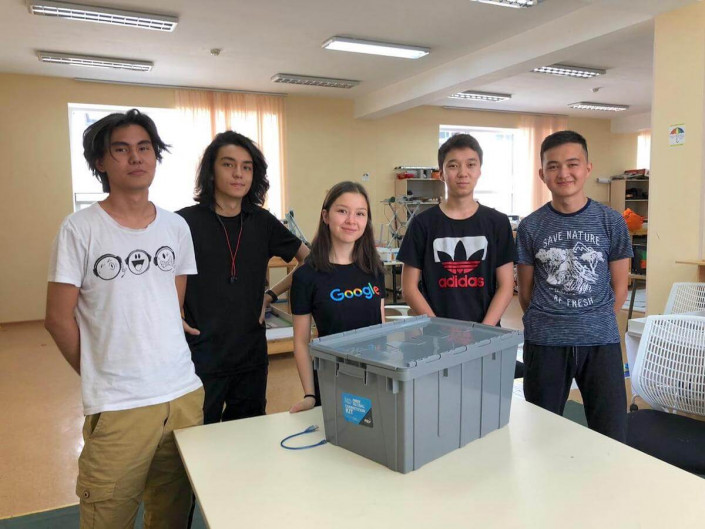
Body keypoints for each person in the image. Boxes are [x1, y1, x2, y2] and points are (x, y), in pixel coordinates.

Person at [44, 109, 204, 528]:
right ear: (100, 161)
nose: (136, 157)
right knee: (108, 516)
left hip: (183, 396)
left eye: (144, 148)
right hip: (119, 405)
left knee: (172, 512)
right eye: (121, 149)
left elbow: (173, 303)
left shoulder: (176, 227)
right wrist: (98, 371)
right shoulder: (79, 229)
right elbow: (57, 319)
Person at [177, 131, 308, 424]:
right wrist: (174, 313)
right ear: (211, 171)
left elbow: (309, 261)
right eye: (228, 164)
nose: (238, 173)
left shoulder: (262, 222)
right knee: (197, 435)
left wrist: (270, 295)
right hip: (200, 354)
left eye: (246, 167)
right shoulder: (184, 222)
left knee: (249, 433)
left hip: (250, 353)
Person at [516, 130, 631, 442]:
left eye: (572, 164)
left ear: (588, 168)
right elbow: (524, 292)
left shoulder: (611, 221)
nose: (563, 173)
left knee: (611, 434)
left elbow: (620, 285)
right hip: (545, 341)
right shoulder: (530, 226)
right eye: (553, 166)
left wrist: (596, 319)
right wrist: (548, 320)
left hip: (600, 340)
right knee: (541, 434)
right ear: (542, 174)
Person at [397, 133, 515, 325]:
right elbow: (409, 289)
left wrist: (484, 331)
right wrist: (438, 329)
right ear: (441, 174)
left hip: (488, 333)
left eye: (470, 164)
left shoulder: (498, 223)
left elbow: (506, 287)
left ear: (479, 170)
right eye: (453, 165)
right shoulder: (422, 224)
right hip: (436, 335)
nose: (462, 173)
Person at [289, 181, 386, 412]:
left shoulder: (374, 270)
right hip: (332, 381)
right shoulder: (306, 276)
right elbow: (301, 342)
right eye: (342, 211)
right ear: (326, 216)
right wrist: (310, 395)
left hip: (374, 380)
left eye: (360, 213)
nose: (352, 220)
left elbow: (381, 329)